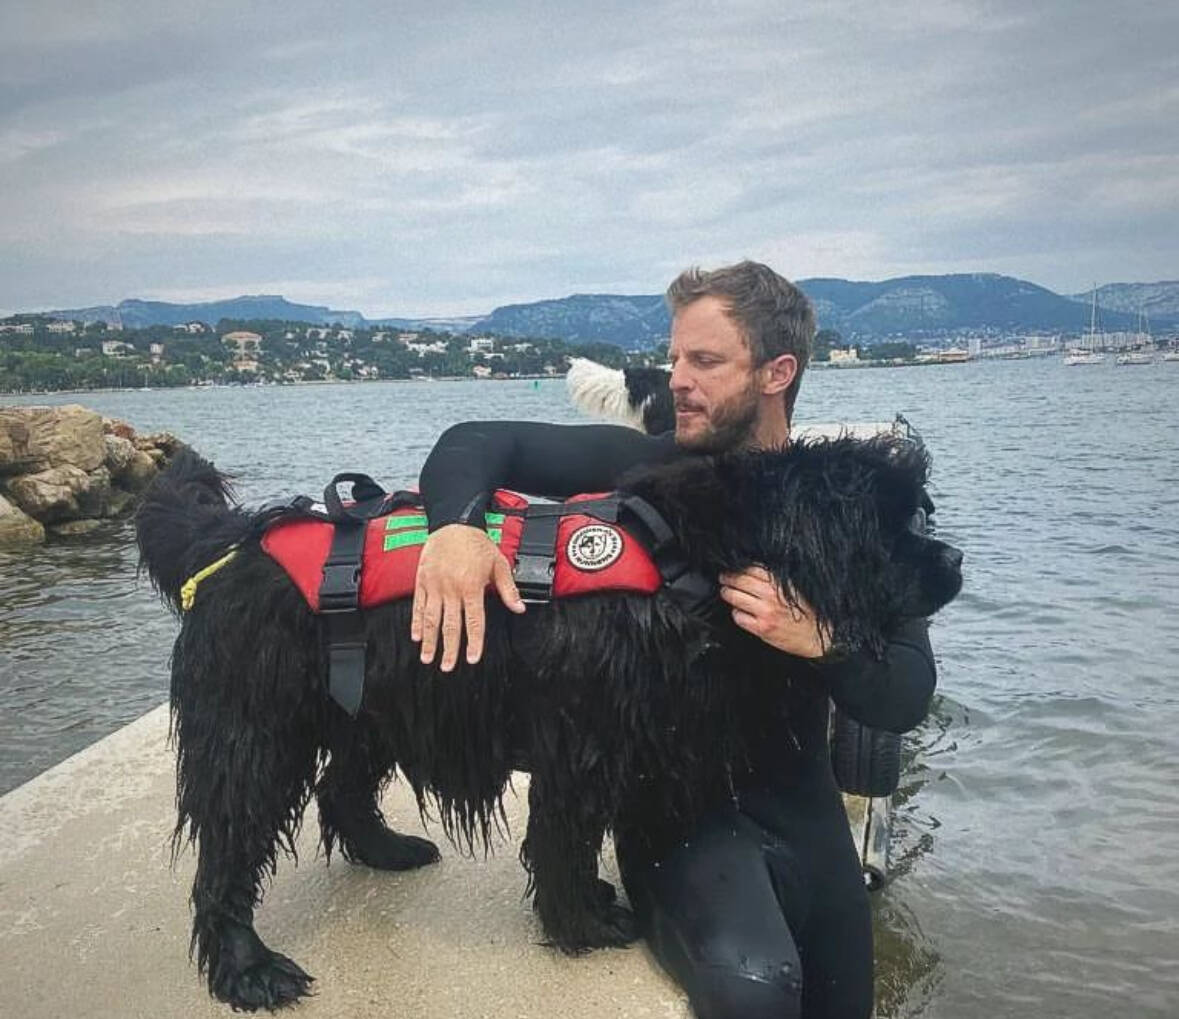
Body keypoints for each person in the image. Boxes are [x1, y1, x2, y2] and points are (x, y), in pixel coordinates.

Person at [410, 261, 938, 1019]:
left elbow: (905, 693)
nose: (675, 380)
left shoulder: (842, 508)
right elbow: (476, 441)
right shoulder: (649, 466)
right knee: (755, 989)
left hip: (801, 807)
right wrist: (455, 529)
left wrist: (821, 640)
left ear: (775, 372)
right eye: (675, 357)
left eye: (705, 360)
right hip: (676, 821)